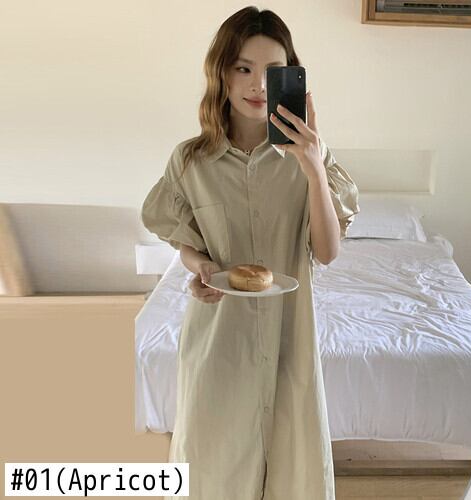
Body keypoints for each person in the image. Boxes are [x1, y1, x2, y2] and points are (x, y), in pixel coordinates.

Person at [141, 6, 360, 500]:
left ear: (292, 78)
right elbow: (186, 242)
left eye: (272, 71)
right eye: (243, 68)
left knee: (294, 477)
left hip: (290, 339)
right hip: (219, 341)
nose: (258, 85)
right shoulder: (190, 161)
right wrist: (201, 268)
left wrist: (313, 168)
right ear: (222, 72)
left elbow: (327, 252)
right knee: (212, 476)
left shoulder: (312, 156)